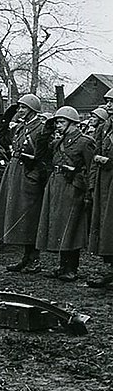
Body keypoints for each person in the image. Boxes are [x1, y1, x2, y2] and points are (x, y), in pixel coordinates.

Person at [0, 94, 52, 273]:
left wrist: (34, 176)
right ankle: (26, 258)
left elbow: (44, 155)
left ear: (33, 110)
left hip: (29, 174)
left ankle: (34, 259)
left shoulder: (40, 128)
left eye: (23, 108)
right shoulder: (21, 127)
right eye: (19, 108)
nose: (20, 111)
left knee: (30, 216)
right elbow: (0, 137)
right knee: (20, 215)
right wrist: (7, 116)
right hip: (16, 173)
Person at [36, 106, 94, 282]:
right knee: (59, 225)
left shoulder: (85, 142)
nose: (58, 126)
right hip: (56, 184)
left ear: (73, 123)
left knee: (72, 227)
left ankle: (71, 268)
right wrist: (47, 130)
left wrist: (86, 190)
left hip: (72, 187)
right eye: (57, 122)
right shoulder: (59, 141)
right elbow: (41, 153)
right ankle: (62, 266)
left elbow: (91, 168)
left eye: (61, 122)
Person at [88, 105, 113, 288]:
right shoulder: (105, 126)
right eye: (108, 102)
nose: (109, 105)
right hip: (105, 178)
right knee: (106, 221)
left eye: (112, 102)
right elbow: (97, 150)